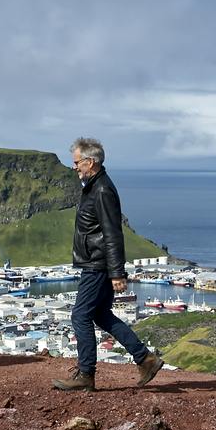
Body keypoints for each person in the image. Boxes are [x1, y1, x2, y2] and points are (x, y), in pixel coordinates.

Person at [53, 137, 163, 391]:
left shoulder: (101, 190)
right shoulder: (94, 186)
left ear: (90, 162)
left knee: (80, 315)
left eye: (77, 162)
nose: (74, 167)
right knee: (100, 314)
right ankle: (145, 359)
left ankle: (86, 374)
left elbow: (113, 233)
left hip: (97, 264)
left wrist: (116, 273)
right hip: (98, 262)